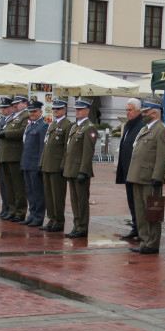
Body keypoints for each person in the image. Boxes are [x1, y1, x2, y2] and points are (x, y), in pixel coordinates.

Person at [127, 97, 165, 254]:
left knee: (152, 212)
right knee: (140, 211)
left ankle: (152, 243)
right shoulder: (145, 128)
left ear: (154, 113)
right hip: (138, 176)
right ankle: (145, 240)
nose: (143, 114)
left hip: (150, 178)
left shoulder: (162, 129)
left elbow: (164, 154)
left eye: (146, 112)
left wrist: (158, 176)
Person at [63, 98, 98, 238]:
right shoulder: (74, 127)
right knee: (74, 201)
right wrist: (64, 166)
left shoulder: (89, 128)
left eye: (80, 109)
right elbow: (68, 149)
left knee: (81, 202)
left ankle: (82, 227)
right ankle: (76, 225)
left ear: (87, 111)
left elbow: (88, 152)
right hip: (71, 169)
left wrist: (83, 171)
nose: (77, 112)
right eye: (76, 109)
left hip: (80, 171)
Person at [40, 99, 72, 233]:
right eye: (53, 109)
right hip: (47, 165)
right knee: (49, 195)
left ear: (64, 110)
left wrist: (64, 164)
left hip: (57, 166)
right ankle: (51, 219)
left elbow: (67, 147)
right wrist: (41, 163)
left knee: (57, 196)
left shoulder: (67, 125)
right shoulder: (52, 124)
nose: (55, 111)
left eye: (58, 109)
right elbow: (46, 145)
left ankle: (59, 221)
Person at [0, 95, 29, 222]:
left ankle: (20, 211)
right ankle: (12, 209)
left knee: (18, 186)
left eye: (18, 103)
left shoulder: (25, 116)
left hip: (15, 155)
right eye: (14, 103)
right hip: (5, 154)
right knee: (8, 185)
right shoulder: (14, 116)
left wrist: (5, 133)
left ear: (25, 103)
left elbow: (21, 132)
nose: (15, 105)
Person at [116, 97, 143, 240]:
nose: (128, 113)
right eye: (126, 110)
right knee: (131, 201)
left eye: (130, 110)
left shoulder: (141, 126)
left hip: (136, 171)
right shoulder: (128, 126)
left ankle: (141, 229)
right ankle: (135, 227)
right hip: (127, 170)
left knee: (138, 202)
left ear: (138, 111)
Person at [20, 100, 48, 227]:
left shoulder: (43, 126)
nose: (32, 113)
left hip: (35, 164)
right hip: (26, 163)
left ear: (40, 112)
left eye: (34, 111)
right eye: (30, 111)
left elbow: (42, 147)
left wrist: (40, 164)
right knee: (29, 192)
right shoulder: (30, 126)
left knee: (37, 192)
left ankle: (38, 216)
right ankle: (32, 214)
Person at [0, 98, 14, 219]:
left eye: (5, 108)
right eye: (2, 108)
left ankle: (9, 209)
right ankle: (4, 208)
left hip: (9, 155)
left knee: (9, 185)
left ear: (12, 108)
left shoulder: (13, 119)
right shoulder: (2, 120)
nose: (3, 110)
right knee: (2, 184)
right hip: (1, 155)